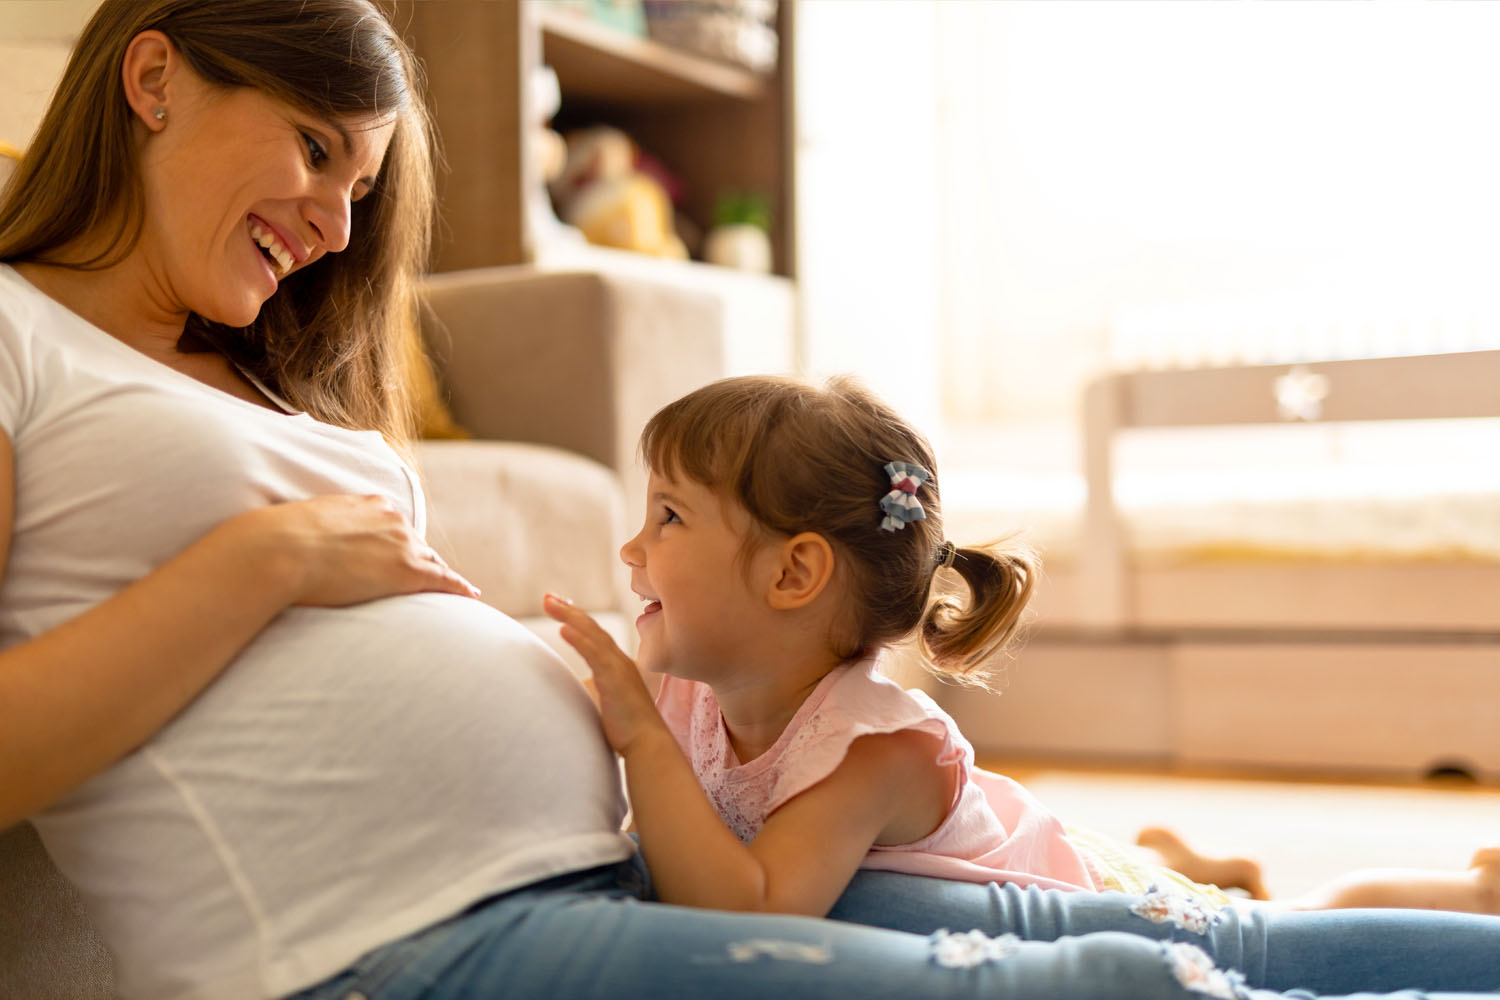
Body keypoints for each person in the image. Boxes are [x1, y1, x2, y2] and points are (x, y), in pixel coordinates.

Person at [2, 2, 1499, 999]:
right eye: (319, 152)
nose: (337, 230)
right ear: (152, 77)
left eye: (359, 185)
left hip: (657, 851)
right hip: (401, 941)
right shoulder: (17, 333)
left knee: (1214, 934)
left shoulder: (255, 375)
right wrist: (264, 561)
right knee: (1125, 985)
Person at [543, 373, 1500, 922]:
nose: (631, 550)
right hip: (1046, 847)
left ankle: (1465, 889)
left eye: (668, 517)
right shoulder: (692, 691)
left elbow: (750, 910)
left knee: (1294, 926)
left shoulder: (875, 750)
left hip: (1091, 910)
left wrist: (639, 737)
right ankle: (1178, 857)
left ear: (794, 575)